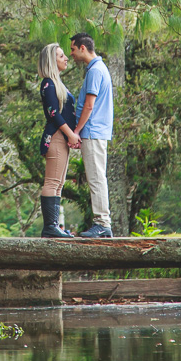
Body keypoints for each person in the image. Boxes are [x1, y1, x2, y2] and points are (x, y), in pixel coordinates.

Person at [69, 33, 114, 238]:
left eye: (72, 49)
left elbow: (89, 105)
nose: (71, 54)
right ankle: (101, 223)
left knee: (96, 178)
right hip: (94, 131)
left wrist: (76, 131)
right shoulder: (95, 69)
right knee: (95, 177)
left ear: (83, 48)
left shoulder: (95, 71)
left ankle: (103, 223)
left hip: (93, 131)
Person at [37, 43, 81, 238]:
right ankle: (50, 227)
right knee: (52, 181)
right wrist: (71, 134)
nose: (66, 58)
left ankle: (54, 226)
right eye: (61, 55)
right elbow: (53, 113)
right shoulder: (48, 84)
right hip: (55, 137)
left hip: (62, 138)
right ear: (51, 61)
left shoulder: (57, 83)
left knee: (59, 182)